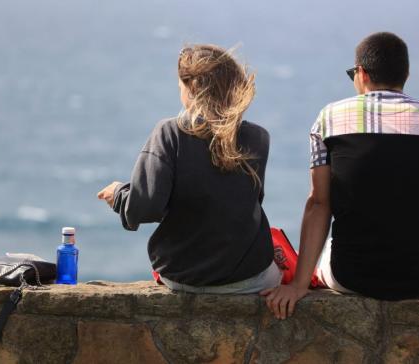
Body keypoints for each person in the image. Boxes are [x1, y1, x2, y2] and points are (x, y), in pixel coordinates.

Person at [262, 32, 419, 319]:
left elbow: (318, 204)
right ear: (406, 74)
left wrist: (299, 285)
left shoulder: (329, 119)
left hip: (349, 276)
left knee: (331, 253)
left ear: (362, 74)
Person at [97, 44, 281, 293]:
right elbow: (246, 201)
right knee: (283, 268)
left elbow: (146, 207)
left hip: (184, 277)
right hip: (248, 278)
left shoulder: (169, 133)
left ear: (191, 88)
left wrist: (120, 194)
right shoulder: (258, 137)